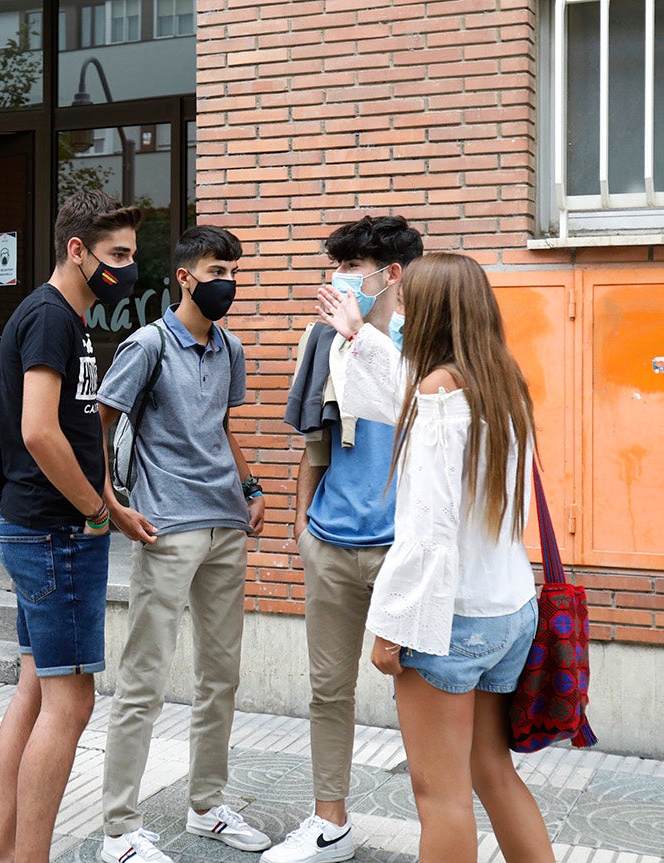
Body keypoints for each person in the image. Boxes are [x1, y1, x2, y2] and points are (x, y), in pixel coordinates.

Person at [316, 252, 553, 863]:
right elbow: (400, 396)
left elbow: (427, 532)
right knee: (492, 773)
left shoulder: (440, 392)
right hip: (508, 609)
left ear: (434, 313)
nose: (400, 310)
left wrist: (392, 626)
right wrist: (359, 338)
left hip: (452, 619)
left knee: (440, 797)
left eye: (407, 303)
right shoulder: (501, 382)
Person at [95, 225, 271, 863]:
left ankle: (207, 807)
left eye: (234, 270)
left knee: (221, 675)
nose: (227, 281)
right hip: (166, 526)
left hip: (226, 523)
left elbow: (220, 426)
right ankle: (119, 829)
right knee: (144, 677)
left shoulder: (229, 347)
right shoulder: (147, 344)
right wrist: (114, 501)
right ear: (185, 276)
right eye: (216, 270)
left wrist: (250, 485)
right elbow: (107, 420)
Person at [0, 189, 141, 863]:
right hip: (56, 534)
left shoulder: (65, 318)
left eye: (132, 254)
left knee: (35, 691)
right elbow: (40, 432)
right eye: (118, 254)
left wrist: (111, 496)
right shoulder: (51, 318)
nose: (129, 267)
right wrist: (95, 511)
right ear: (76, 250)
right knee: (70, 704)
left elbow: (81, 429)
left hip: (43, 528)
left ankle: (5, 853)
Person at [270, 215, 421, 863]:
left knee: (420, 693)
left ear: (391, 273)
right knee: (328, 689)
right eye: (336, 266)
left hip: (402, 550)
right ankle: (329, 819)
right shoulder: (323, 339)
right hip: (331, 541)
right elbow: (316, 440)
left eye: (353, 267)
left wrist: (365, 337)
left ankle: (440, 823)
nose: (340, 279)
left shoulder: (427, 340)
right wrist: (302, 525)